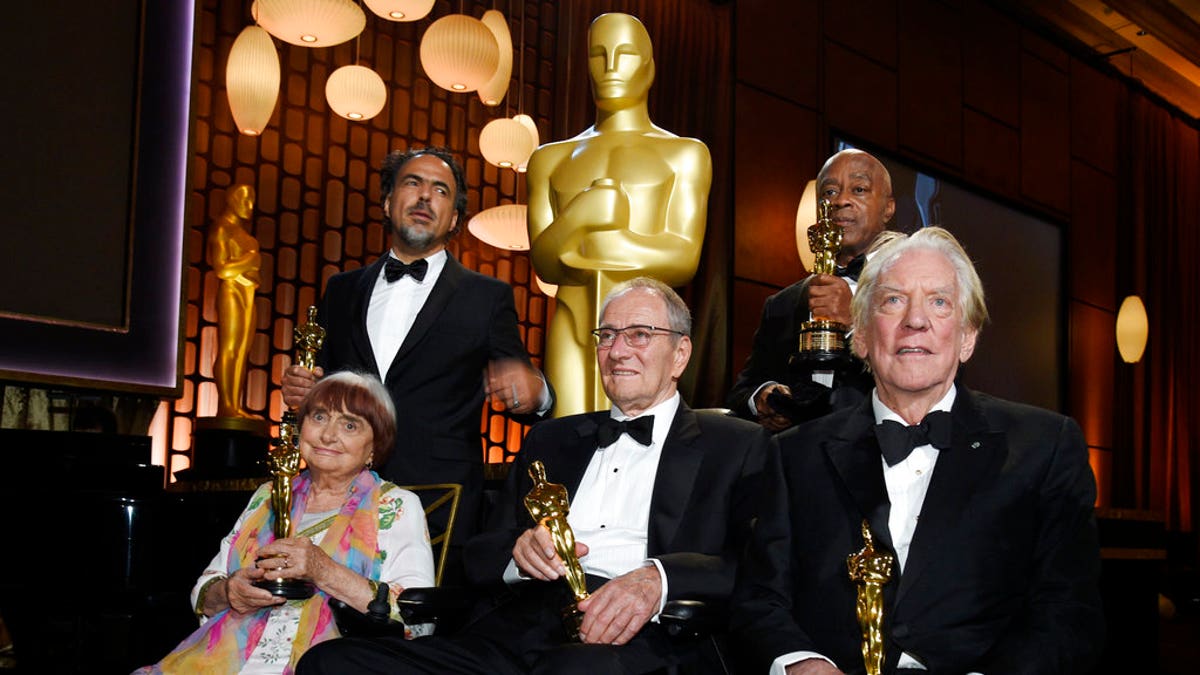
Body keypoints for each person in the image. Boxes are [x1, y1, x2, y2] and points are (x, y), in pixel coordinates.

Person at [298, 277, 771, 674]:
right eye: (606, 335)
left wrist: (658, 579)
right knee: (334, 662)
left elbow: (754, 565)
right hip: (516, 627)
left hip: (642, 636)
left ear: (681, 354)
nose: (618, 350)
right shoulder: (551, 440)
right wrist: (516, 554)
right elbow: (480, 554)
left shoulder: (734, 443)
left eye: (640, 334)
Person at [730, 228, 1103, 674]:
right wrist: (800, 662)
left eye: (939, 302)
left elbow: (1068, 612)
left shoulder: (1046, 446)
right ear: (862, 337)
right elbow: (759, 597)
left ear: (967, 338)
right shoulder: (793, 455)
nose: (916, 320)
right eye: (893, 301)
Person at [280, 147, 552, 558]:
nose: (425, 196)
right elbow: (325, 389)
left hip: (440, 500)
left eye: (440, 190)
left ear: (454, 217)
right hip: (338, 492)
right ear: (389, 203)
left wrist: (535, 392)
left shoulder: (487, 296)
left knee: (423, 619)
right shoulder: (341, 290)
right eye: (413, 183)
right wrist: (304, 391)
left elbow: (528, 397)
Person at [138, 371, 435, 674]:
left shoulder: (395, 505)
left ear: (375, 445)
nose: (328, 435)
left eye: (349, 425)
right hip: (225, 658)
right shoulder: (269, 495)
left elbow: (419, 620)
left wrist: (323, 570)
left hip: (327, 663)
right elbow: (204, 592)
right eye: (319, 417)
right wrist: (230, 592)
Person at [527, 12, 713, 417]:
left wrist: (612, 242)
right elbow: (543, 262)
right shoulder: (549, 158)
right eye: (599, 55)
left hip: (651, 329)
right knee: (570, 444)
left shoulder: (684, 154)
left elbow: (683, 258)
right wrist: (581, 214)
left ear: (649, 67)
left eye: (625, 55)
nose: (610, 68)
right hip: (572, 322)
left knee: (646, 437)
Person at [727, 148, 895, 431]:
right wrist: (764, 398)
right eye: (829, 193)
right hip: (792, 459)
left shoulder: (910, 289)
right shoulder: (783, 303)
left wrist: (855, 322)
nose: (841, 200)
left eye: (859, 189)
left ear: (888, 208)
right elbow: (742, 391)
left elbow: (929, 379)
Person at [208, 184, 262, 418]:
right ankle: (226, 405)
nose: (249, 206)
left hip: (249, 293)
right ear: (231, 200)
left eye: (252, 200)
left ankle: (235, 405)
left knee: (242, 351)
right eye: (244, 199)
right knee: (229, 349)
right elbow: (221, 269)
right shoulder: (223, 229)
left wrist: (249, 264)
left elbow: (256, 273)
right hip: (231, 290)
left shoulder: (248, 238)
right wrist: (249, 260)